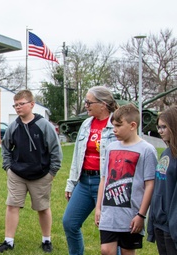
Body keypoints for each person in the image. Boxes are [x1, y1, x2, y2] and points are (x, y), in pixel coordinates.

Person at [0, 89, 62, 253]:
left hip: (41, 175)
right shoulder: (14, 126)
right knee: (12, 206)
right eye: (15, 105)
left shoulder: (44, 125)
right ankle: (8, 241)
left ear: (32, 104)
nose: (18, 107)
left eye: (21, 104)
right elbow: (6, 148)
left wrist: (52, 172)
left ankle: (46, 240)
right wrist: (8, 167)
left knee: (43, 208)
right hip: (17, 174)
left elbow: (55, 150)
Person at [95, 103, 157, 255]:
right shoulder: (110, 147)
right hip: (109, 213)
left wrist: (141, 215)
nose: (114, 130)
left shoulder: (147, 150)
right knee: (106, 250)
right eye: (113, 125)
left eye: (118, 126)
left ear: (132, 125)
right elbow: (104, 178)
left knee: (127, 251)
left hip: (131, 215)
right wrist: (98, 207)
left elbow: (150, 184)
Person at [63, 86, 118, 255]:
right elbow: (77, 156)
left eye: (89, 102)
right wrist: (71, 183)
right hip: (84, 182)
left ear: (103, 104)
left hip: (107, 184)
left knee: (110, 230)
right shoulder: (86, 124)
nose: (85, 105)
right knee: (70, 222)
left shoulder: (116, 125)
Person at [147, 106, 177, 254]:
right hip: (160, 223)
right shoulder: (166, 153)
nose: (159, 131)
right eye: (158, 127)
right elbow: (158, 188)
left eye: (164, 127)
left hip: (173, 227)